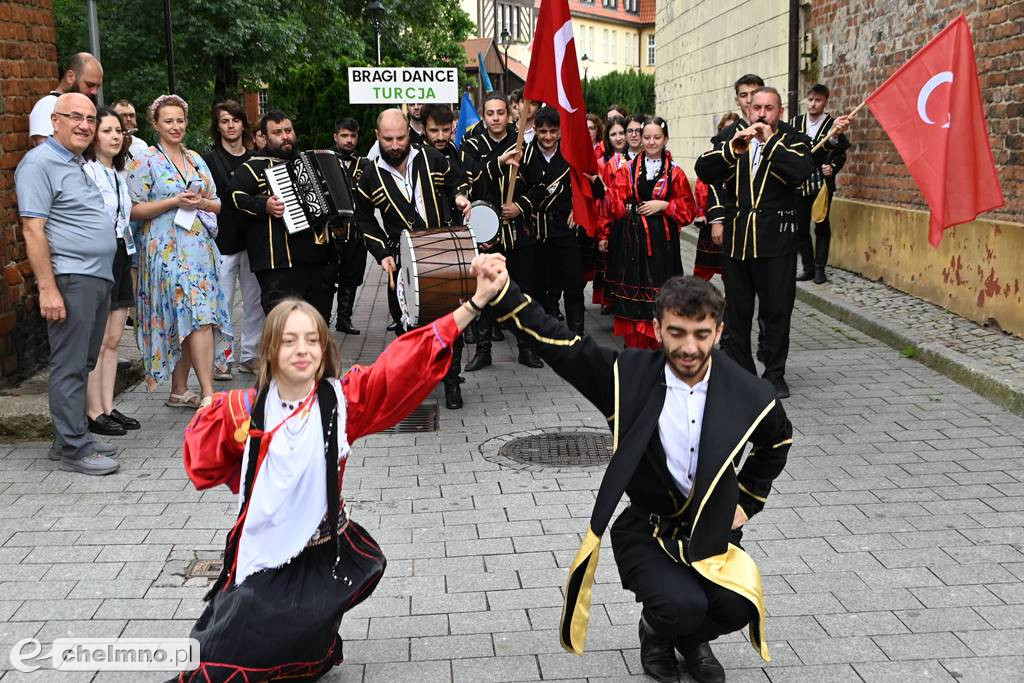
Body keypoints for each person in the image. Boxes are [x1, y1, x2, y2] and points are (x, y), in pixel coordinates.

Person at [176, 253, 509, 682]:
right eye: (289, 340)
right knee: (214, 662)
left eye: (312, 340)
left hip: (320, 551)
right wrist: (215, 425)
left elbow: (402, 364)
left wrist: (475, 302)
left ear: (324, 347)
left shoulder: (343, 402)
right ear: (270, 350)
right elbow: (202, 466)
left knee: (296, 640)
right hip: (263, 553)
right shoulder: (240, 411)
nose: (302, 350)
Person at [486, 273, 791, 683]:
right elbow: (563, 348)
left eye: (701, 334)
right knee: (681, 606)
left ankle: (691, 640)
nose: (688, 347)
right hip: (646, 531)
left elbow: (778, 440)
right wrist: (505, 292)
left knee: (739, 604)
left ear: (719, 332)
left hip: (710, 532)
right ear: (656, 328)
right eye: (676, 332)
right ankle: (657, 631)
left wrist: (748, 500)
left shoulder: (747, 391)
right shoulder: (626, 377)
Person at [16, 93, 119, 475]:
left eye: (90, 118)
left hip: (94, 277)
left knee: (84, 361)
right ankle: (76, 448)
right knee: (70, 364)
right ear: (54, 122)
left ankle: (68, 439)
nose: (84, 125)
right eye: (74, 116)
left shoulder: (73, 163)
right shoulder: (39, 164)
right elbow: (32, 229)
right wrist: (47, 288)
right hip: (71, 278)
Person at [695, 86, 814, 399]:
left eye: (769, 108)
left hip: (776, 242)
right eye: (756, 107)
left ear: (780, 112)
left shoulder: (793, 139)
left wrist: (769, 142)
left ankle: (775, 374)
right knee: (737, 313)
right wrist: (733, 150)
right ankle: (742, 374)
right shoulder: (733, 136)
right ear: (747, 109)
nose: (761, 113)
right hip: (738, 243)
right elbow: (704, 171)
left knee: (776, 311)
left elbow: (802, 171)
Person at [127, 94, 229, 409]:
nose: (175, 126)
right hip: (166, 253)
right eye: (168, 121)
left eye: (180, 120)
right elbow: (132, 210)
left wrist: (201, 203)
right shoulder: (144, 160)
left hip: (199, 251)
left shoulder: (195, 158)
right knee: (196, 315)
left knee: (195, 316)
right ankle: (209, 392)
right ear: (155, 124)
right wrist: (174, 201)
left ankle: (179, 390)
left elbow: (217, 203)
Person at [355, 108, 471, 341]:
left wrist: (459, 196)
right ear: (377, 135)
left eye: (401, 137)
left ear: (409, 133)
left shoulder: (432, 157)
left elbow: (457, 181)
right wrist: (382, 253)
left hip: (441, 253)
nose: (395, 145)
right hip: (401, 262)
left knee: (448, 326)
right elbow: (364, 219)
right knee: (408, 329)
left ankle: (451, 377)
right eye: (388, 139)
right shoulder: (369, 175)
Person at [229, 110, 335, 321]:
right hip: (278, 264)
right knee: (286, 326)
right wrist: (264, 204)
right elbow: (232, 196)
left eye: (288, 130)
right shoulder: (254, 166)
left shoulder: (309, 162)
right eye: (277, 132)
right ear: (264, 137)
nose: (285, 136)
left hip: (316, 261)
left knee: (317, 323)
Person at [461, 92, 541, 370]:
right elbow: (470, 184)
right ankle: (483, 351)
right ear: (483, 116)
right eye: (490, 113)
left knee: (523, 289)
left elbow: (538, 187)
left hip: (518, 228)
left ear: (510, 115)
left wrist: (521, 206)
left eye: (501, 113)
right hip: (485, 232)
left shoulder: (524, 145)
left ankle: (526, 347)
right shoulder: (472, 146)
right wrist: (498, 164)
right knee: (484, 290)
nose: (496, 118)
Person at [605, 117, 697, 349]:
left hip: (661, 242)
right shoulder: (627, 169)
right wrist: (600, 189)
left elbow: (688, 211)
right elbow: (615, 204)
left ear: (665, 139)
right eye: (647, 137)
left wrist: (665, 206)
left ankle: (660, 344)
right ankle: (634, 348)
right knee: (632, 296)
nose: (651, 141)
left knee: (661, 293)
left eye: (657, 137)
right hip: (631, 240)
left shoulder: (675, 173)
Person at [81, 107, 139, 437]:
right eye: (107, 131)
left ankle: (107, 406)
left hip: (121, 251)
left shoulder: (118, 172)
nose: (115, 136)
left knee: (115, 338)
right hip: (99, 252)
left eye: (118, 130)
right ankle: (92, 411)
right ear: (94, 136)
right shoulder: (86, 171)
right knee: (99, 339)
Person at [506, 106, 589, 335]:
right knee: (538, 284)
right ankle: (543, 334)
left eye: (553, 131)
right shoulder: (524, 154)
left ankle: (577, 335)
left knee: (573, 280)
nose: (548, 137)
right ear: (535, 130)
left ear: (560, 131)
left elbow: (584, 186)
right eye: (543, 132)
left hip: (564, 226)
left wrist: (578, 207)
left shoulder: (569, 154)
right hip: (535, 228)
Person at [204, 100, 262, 381]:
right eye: (224, 121)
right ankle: (222, 360)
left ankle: (250, 356)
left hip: (252, 238)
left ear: (243, 123)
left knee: (254, 302)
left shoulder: (255, 158)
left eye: (235, 120)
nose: (230, 125)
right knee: (222, 302)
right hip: (222, 241)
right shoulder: (208, 160)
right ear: (218, 126)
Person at [791, 84, 851, 284]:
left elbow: (840, 153)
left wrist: (832, 167)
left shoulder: (833, 125)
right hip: (800, 183)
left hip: (821, 185)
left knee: (821, 224)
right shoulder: (796, 122)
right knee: (800, 227)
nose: (813, 104)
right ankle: (807, 267)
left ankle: (819, 268)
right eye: (810, 99)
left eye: (817, 100)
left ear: (825, 101)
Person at [330, 117, 370, 336]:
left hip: (356, 232)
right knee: (327, 278)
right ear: (335, 137)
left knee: (351, 276)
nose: (349, 140)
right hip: (330, 233)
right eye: (344, 136)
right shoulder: (325, 160)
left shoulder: (364, 164)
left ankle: (344, 319)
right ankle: (323, 318)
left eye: (353, 136)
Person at [691, 113, 738, 282]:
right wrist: (702, 213)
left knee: (730, 268)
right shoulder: (712, 157)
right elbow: (701, 188)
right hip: (711, 220)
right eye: (724, 129)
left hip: (733, 220)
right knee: (703, 268)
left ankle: (730, 300)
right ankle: (696, 299)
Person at [593, 116, 630, 314]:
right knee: (611, 265)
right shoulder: (602, 162)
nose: (618, 138)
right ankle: (612, 301)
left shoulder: (635, 159)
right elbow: (602, 201)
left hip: (632, 219)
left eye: (621, 133)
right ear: (607, 137)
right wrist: (603, 232)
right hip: (612, 220)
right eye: (613, 134)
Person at [29, 53, 103, 147]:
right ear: (70, 77)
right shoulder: (48, 105)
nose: (95, 92)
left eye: (98, 87)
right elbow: (48, 152)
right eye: (90, 85)